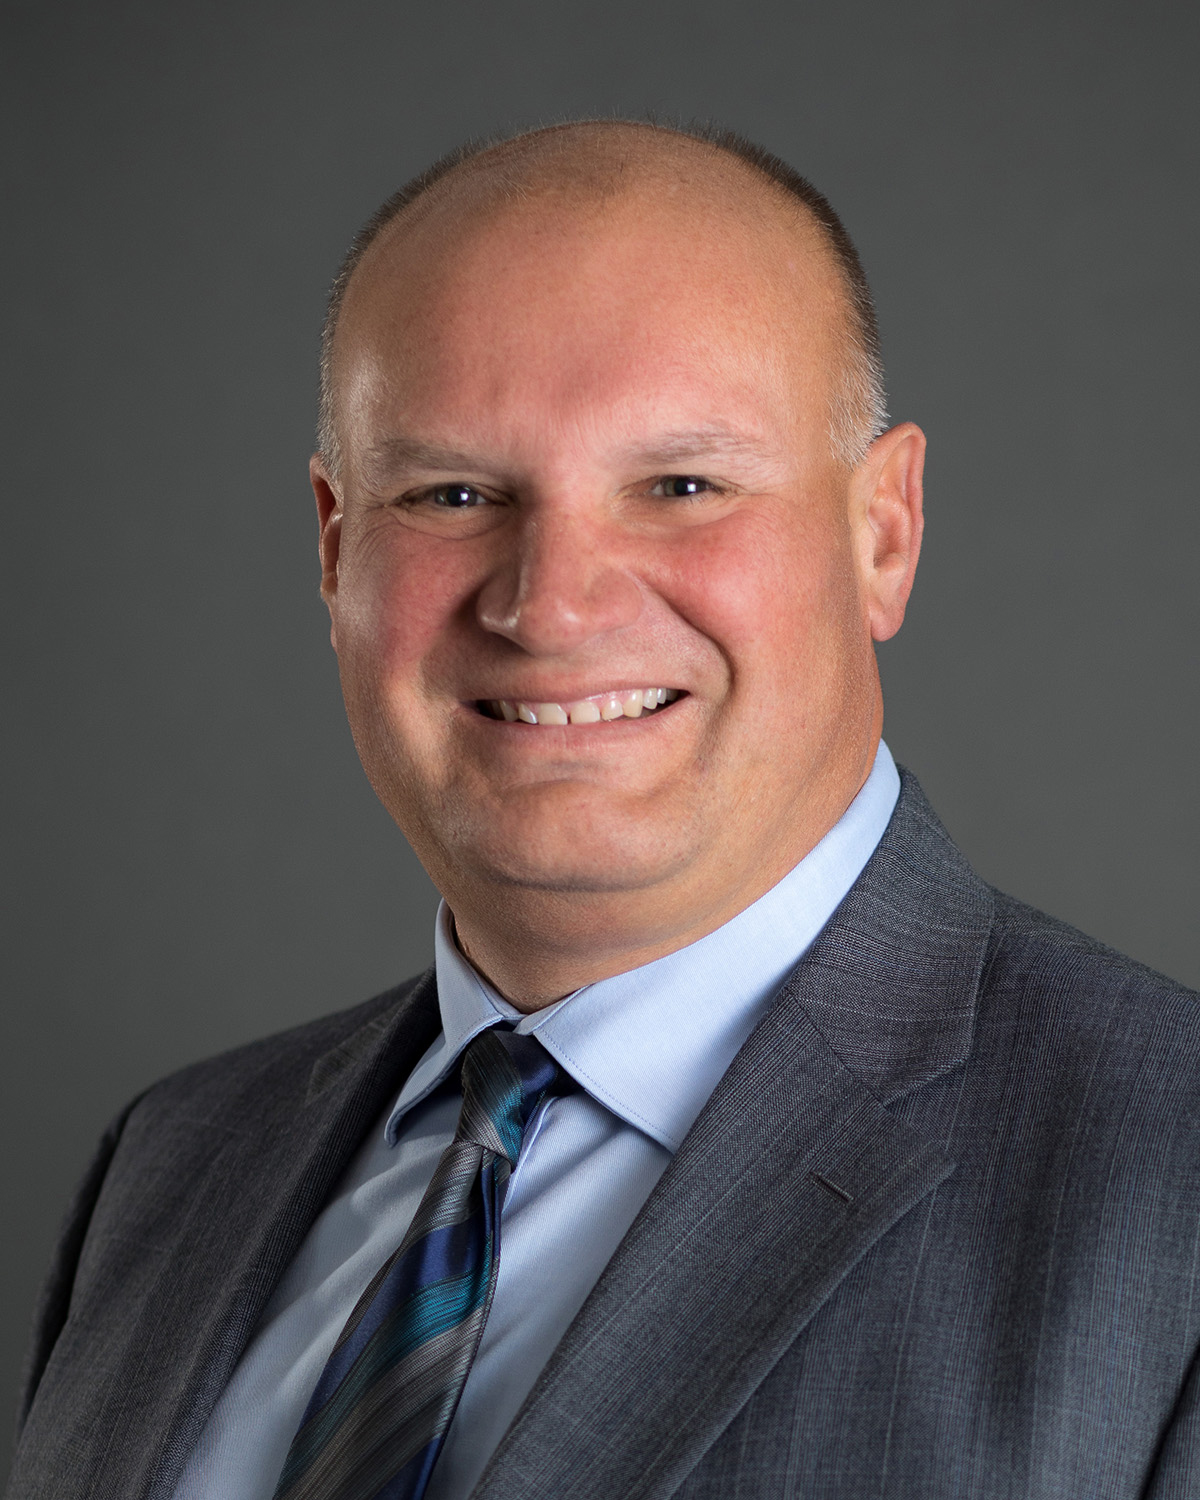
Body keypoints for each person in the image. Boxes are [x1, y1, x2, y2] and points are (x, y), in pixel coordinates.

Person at [8, 120, 1200, 1500]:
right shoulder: (174, 1165)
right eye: (453, 493)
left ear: (884, 531)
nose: (551, 606)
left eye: (682, 486)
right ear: (336, 546)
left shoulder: (1167, 1189)